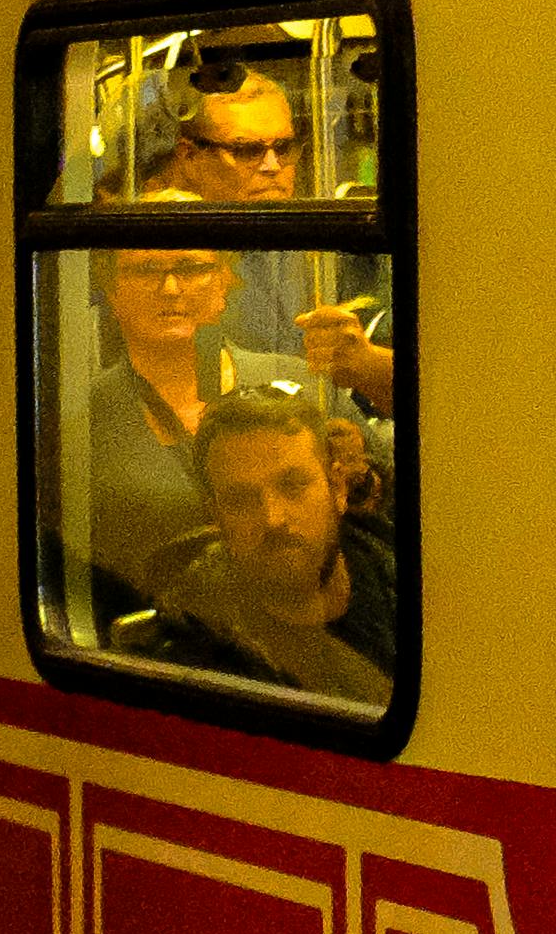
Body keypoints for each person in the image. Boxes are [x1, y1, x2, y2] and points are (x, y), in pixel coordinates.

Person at [112, 383, 398, 708]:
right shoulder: (194, 665)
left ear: (338, 488)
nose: (273, 518)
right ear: (216, 516)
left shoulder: (406, 574)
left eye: (293, 485)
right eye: (240, 499)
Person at [73, 241, 306, 635]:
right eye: (146, 269)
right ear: (112, 292)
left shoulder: (299, 385)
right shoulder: (82, 416)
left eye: (191, 267)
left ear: (224, 281)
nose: (170, 288)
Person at [158, 57, 400, 416]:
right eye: (247, 150)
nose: (272, 166)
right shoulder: (161, 257)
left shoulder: (341, 246)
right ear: (190, 156)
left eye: (283, 148)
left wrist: (365, 364)